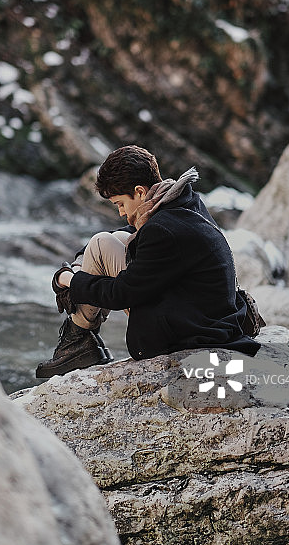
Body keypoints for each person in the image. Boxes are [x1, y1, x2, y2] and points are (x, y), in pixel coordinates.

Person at [36, 145, 260, 378]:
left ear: (140, 192)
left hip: (192, 332)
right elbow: (128, 231)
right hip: (206, 315)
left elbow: (120, 293)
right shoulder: (180, 201)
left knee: (103, 242)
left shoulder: (163, 231)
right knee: (114, 239)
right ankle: (81, 340)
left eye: (120, 204)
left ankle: (78, 341)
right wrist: (80, 264)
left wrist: (70, 280)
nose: (121, 212)